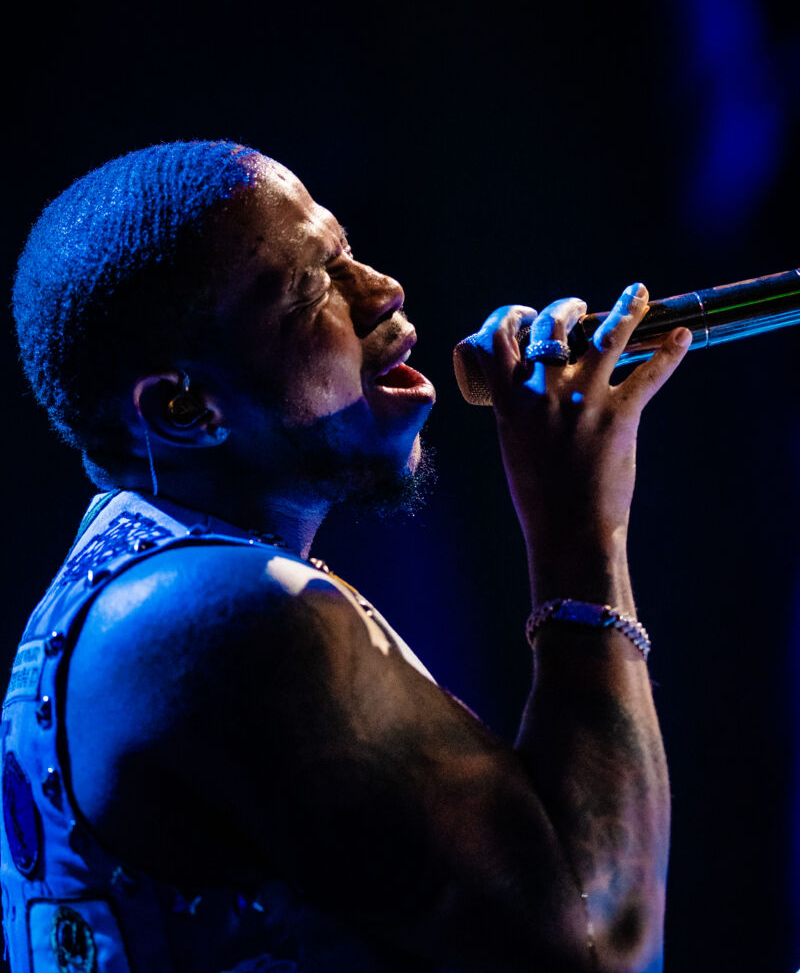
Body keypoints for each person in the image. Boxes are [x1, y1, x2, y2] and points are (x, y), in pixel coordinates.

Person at [1, 140, 690, 973]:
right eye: (312, 287)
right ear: (185, 408)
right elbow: (604, 951)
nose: (383, 290)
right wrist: (579, 521)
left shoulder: (145, 588)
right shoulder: (221, 613)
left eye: (347, 252)